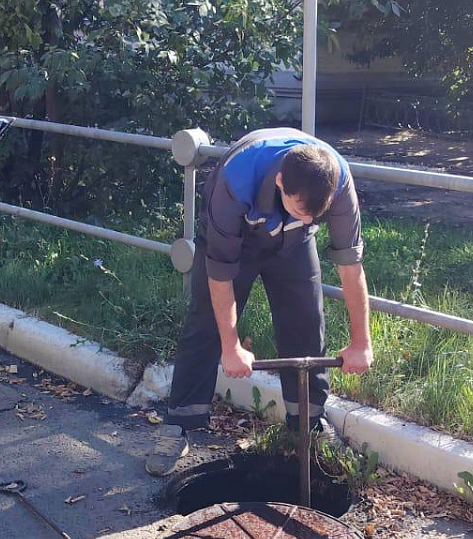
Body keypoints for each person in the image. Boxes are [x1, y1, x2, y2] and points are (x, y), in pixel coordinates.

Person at [147, 127, 373, 475]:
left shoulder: (338, 180)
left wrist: (361, 342)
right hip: (236, 237)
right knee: (206, 323)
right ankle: (180, 423)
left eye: (318, 213)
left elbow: (350, 266)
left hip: (295, 242)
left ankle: (309, 422)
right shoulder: (235, 181)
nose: (311, 218)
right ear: (281, 181)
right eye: (301, 209)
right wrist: (231, 345)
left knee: (305, 322)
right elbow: (220, 275)